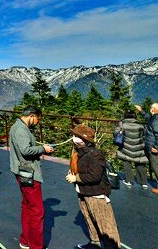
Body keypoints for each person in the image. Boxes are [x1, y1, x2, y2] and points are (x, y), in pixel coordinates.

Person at [66, 124, 121, 249]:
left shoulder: (95, 154)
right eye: (74, 135)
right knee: (90, 220)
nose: (73, 138)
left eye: (76, 136)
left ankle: (112, 247)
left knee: (106, 225)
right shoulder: (78, 152)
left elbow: (95, 176)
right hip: (83, 192)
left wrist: (76, 178)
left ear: (85, 139)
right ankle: (95, 243)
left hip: (96, 194)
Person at [9, 107, 55, 249]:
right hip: (28, 173)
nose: (37, 122)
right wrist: (43, 149)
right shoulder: (21, 129)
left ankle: (25, 240)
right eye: (37, 119)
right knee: (37, 211)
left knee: (27, 206)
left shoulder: (17, 127)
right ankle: (36, 246)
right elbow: (26, 150)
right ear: (31, 116)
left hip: (21, 171)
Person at [114, 110, 149, 188]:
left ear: (125, 116)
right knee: (140, 163)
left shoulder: (122, 125)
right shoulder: (140, 125)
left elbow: (115, 133)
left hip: (126, 146)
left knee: (127, 162)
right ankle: (144, 183)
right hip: (138, 147)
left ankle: (129, 181)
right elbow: (144, 136)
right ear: (134, 116)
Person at [144, 102, 158, 194]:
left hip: (156, 149)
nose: (150, 109)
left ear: (154, 109)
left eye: (151, 107)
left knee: (157, 167)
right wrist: (142, 112)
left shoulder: (156, 119)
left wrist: (156, 147)